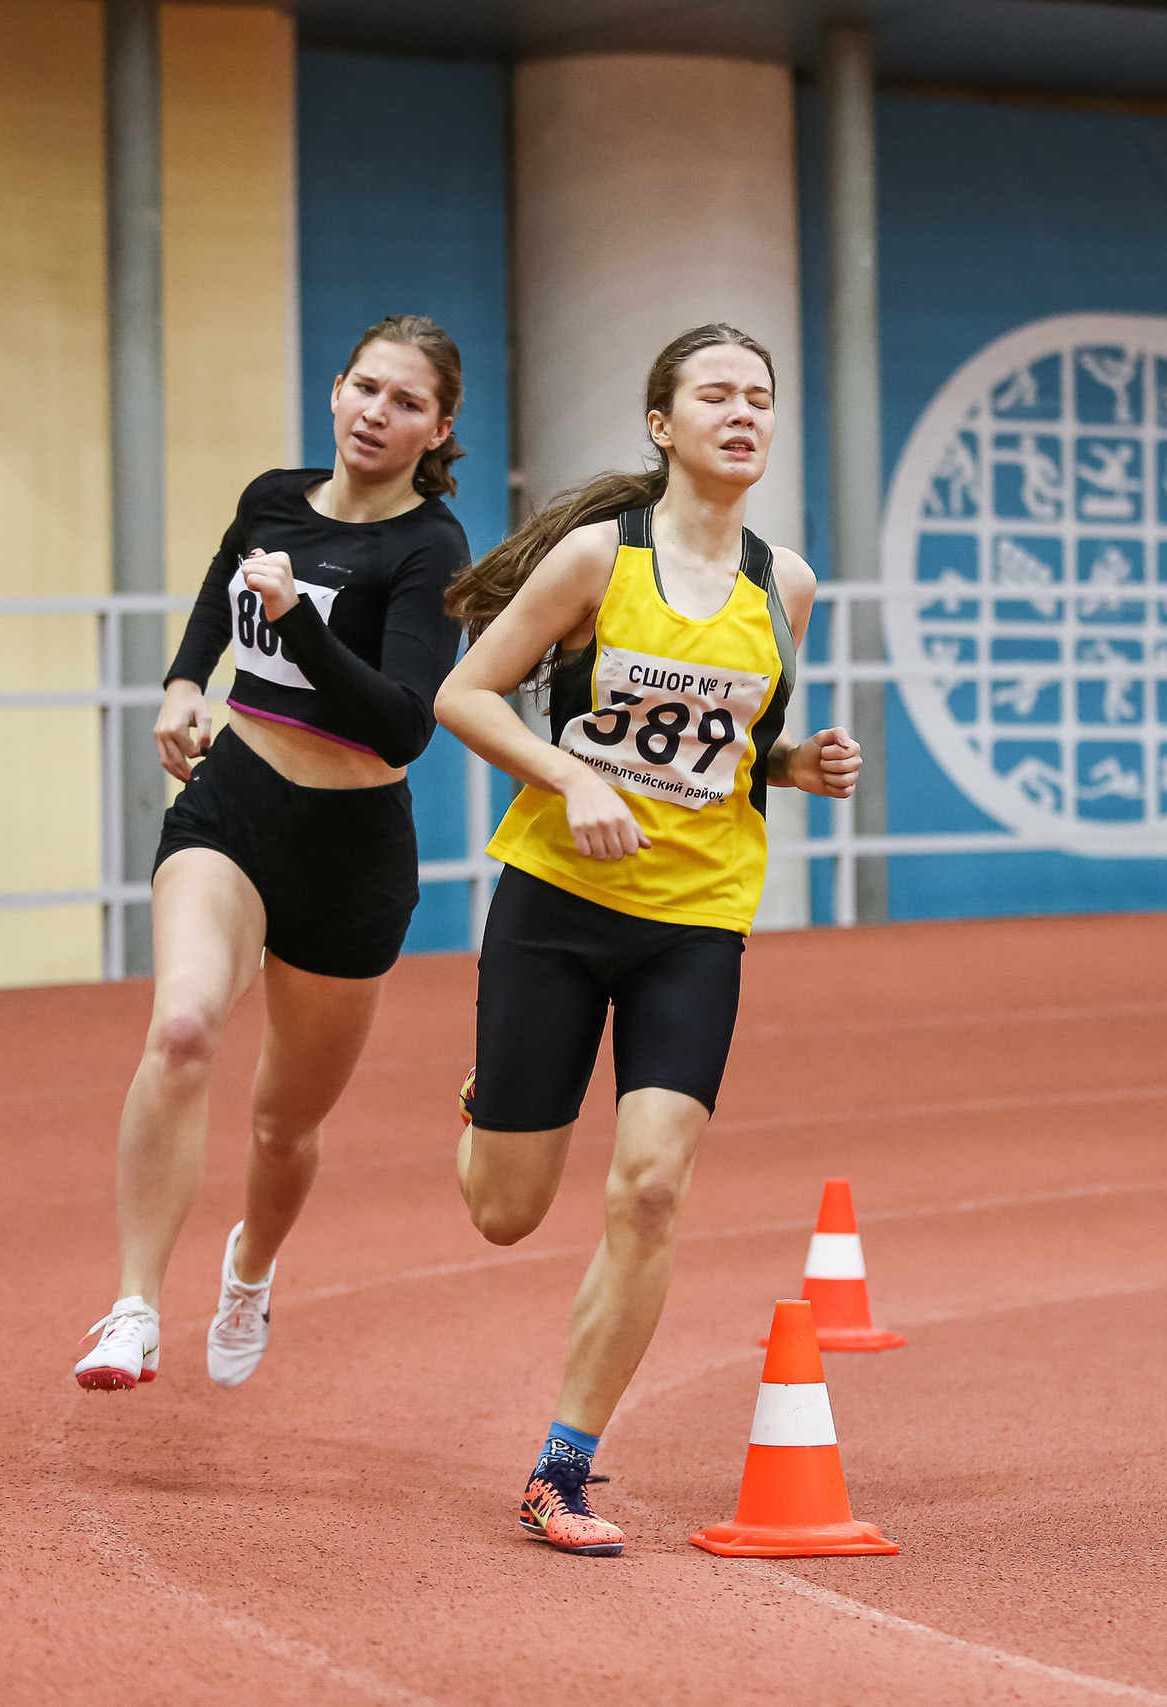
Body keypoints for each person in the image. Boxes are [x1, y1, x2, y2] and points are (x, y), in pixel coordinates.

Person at [433, 323, 862, 1555]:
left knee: (653, 1187)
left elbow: (727, 754)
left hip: (697, 920)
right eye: (715, 395)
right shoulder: (590, 561)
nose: (743, 413)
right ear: (663, 426)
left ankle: (561, 1464)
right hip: (558, 908)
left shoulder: (787, 587)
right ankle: (488, 1099)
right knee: (505, 1212)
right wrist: (571, 780)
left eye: (761, 399)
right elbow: (462, 696)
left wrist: (793, 761)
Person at [72, 315, 470, 1393]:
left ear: (438, 428)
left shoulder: (432, 546)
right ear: (335, 388)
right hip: (236, 806)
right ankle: (133, 1307)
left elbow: (401, 725)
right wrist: (183, 681)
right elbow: (223, 581)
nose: (375, 415)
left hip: (352, 857)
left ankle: (249, 1266)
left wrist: (297, 625)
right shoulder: (273, 498)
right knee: (187, 1024)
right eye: (364, 388)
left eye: (404, 403)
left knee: (283, 1129)